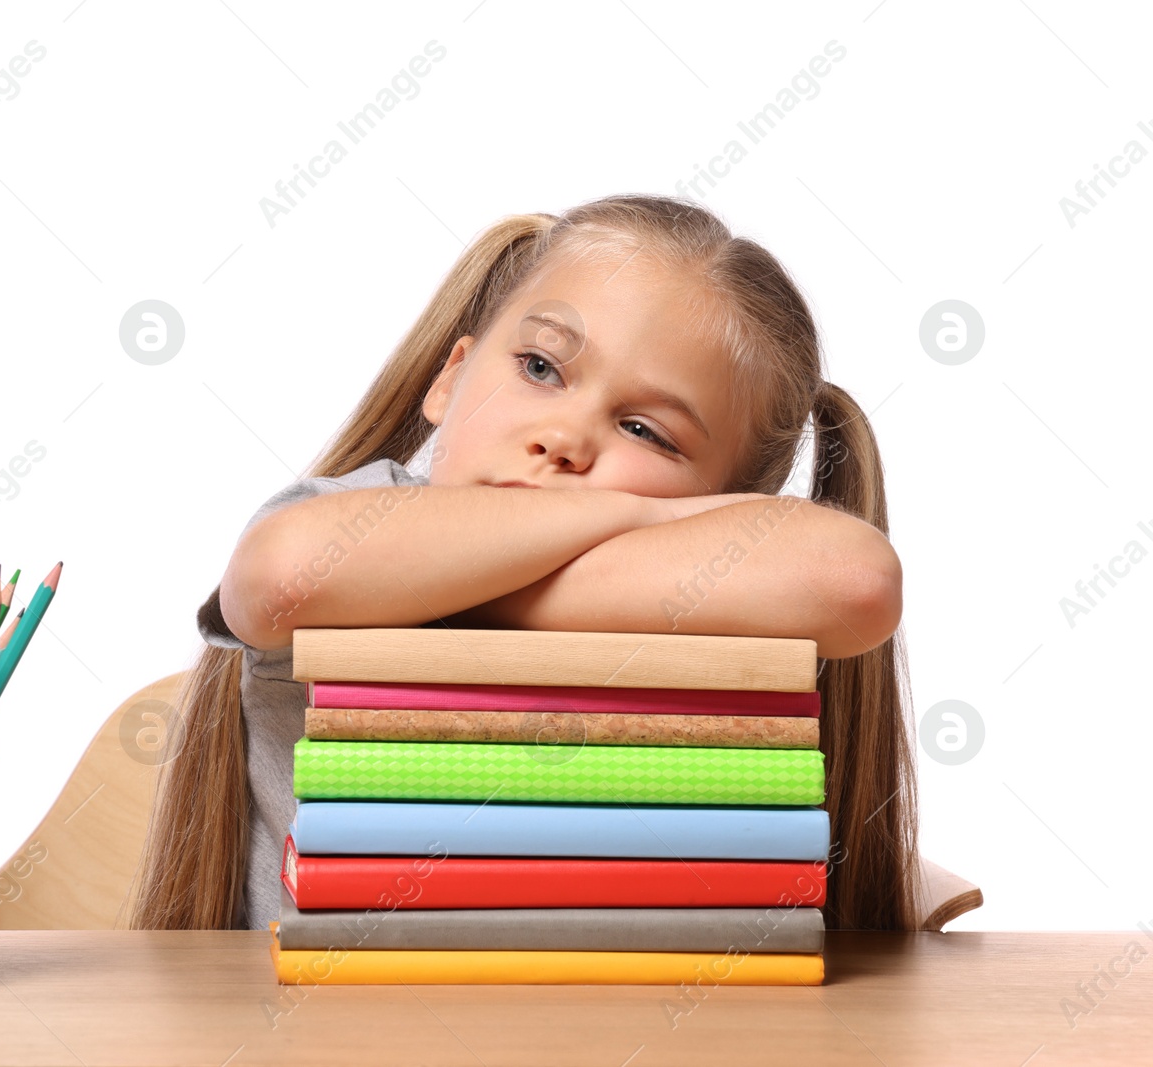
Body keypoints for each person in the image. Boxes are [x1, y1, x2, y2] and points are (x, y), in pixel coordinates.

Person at [129, 193, 917, 933]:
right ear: (451, 375)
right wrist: (635, 508)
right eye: (540, 368)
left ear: (730, 501)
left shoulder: (717, 567)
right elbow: (276, 580)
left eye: (646, 431)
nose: (565, 437)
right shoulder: (358, 519)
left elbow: (855, 580)